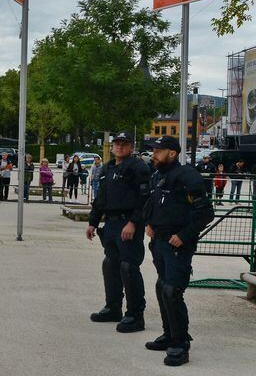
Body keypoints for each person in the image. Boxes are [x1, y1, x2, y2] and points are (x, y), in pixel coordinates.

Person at [144, 135, 214, 366]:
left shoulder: (187, 176)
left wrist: (183, 236)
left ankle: (180, 344)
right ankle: (169, 334)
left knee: (172, 290)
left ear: (172, 153)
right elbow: (154, 203)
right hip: (160, 242)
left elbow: (205, 213)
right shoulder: (158, 175)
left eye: (158, 151)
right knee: (162, 286)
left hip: (177, 244)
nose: (154, 154)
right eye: (153, 150)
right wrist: (150, 223)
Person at [86, 132, 151, 333]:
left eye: (124, 144)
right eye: (117, 144)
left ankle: (135, 315)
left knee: (128, 267)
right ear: (112, 146)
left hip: (128, 223)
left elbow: (144, 199)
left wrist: (133, 222)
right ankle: (113, 307)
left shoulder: (137, 167)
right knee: (110, 264)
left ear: (131, 147)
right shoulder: (108, 168)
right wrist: (93, 222)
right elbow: (101, 198)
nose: (120, 147)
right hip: (112, 224)